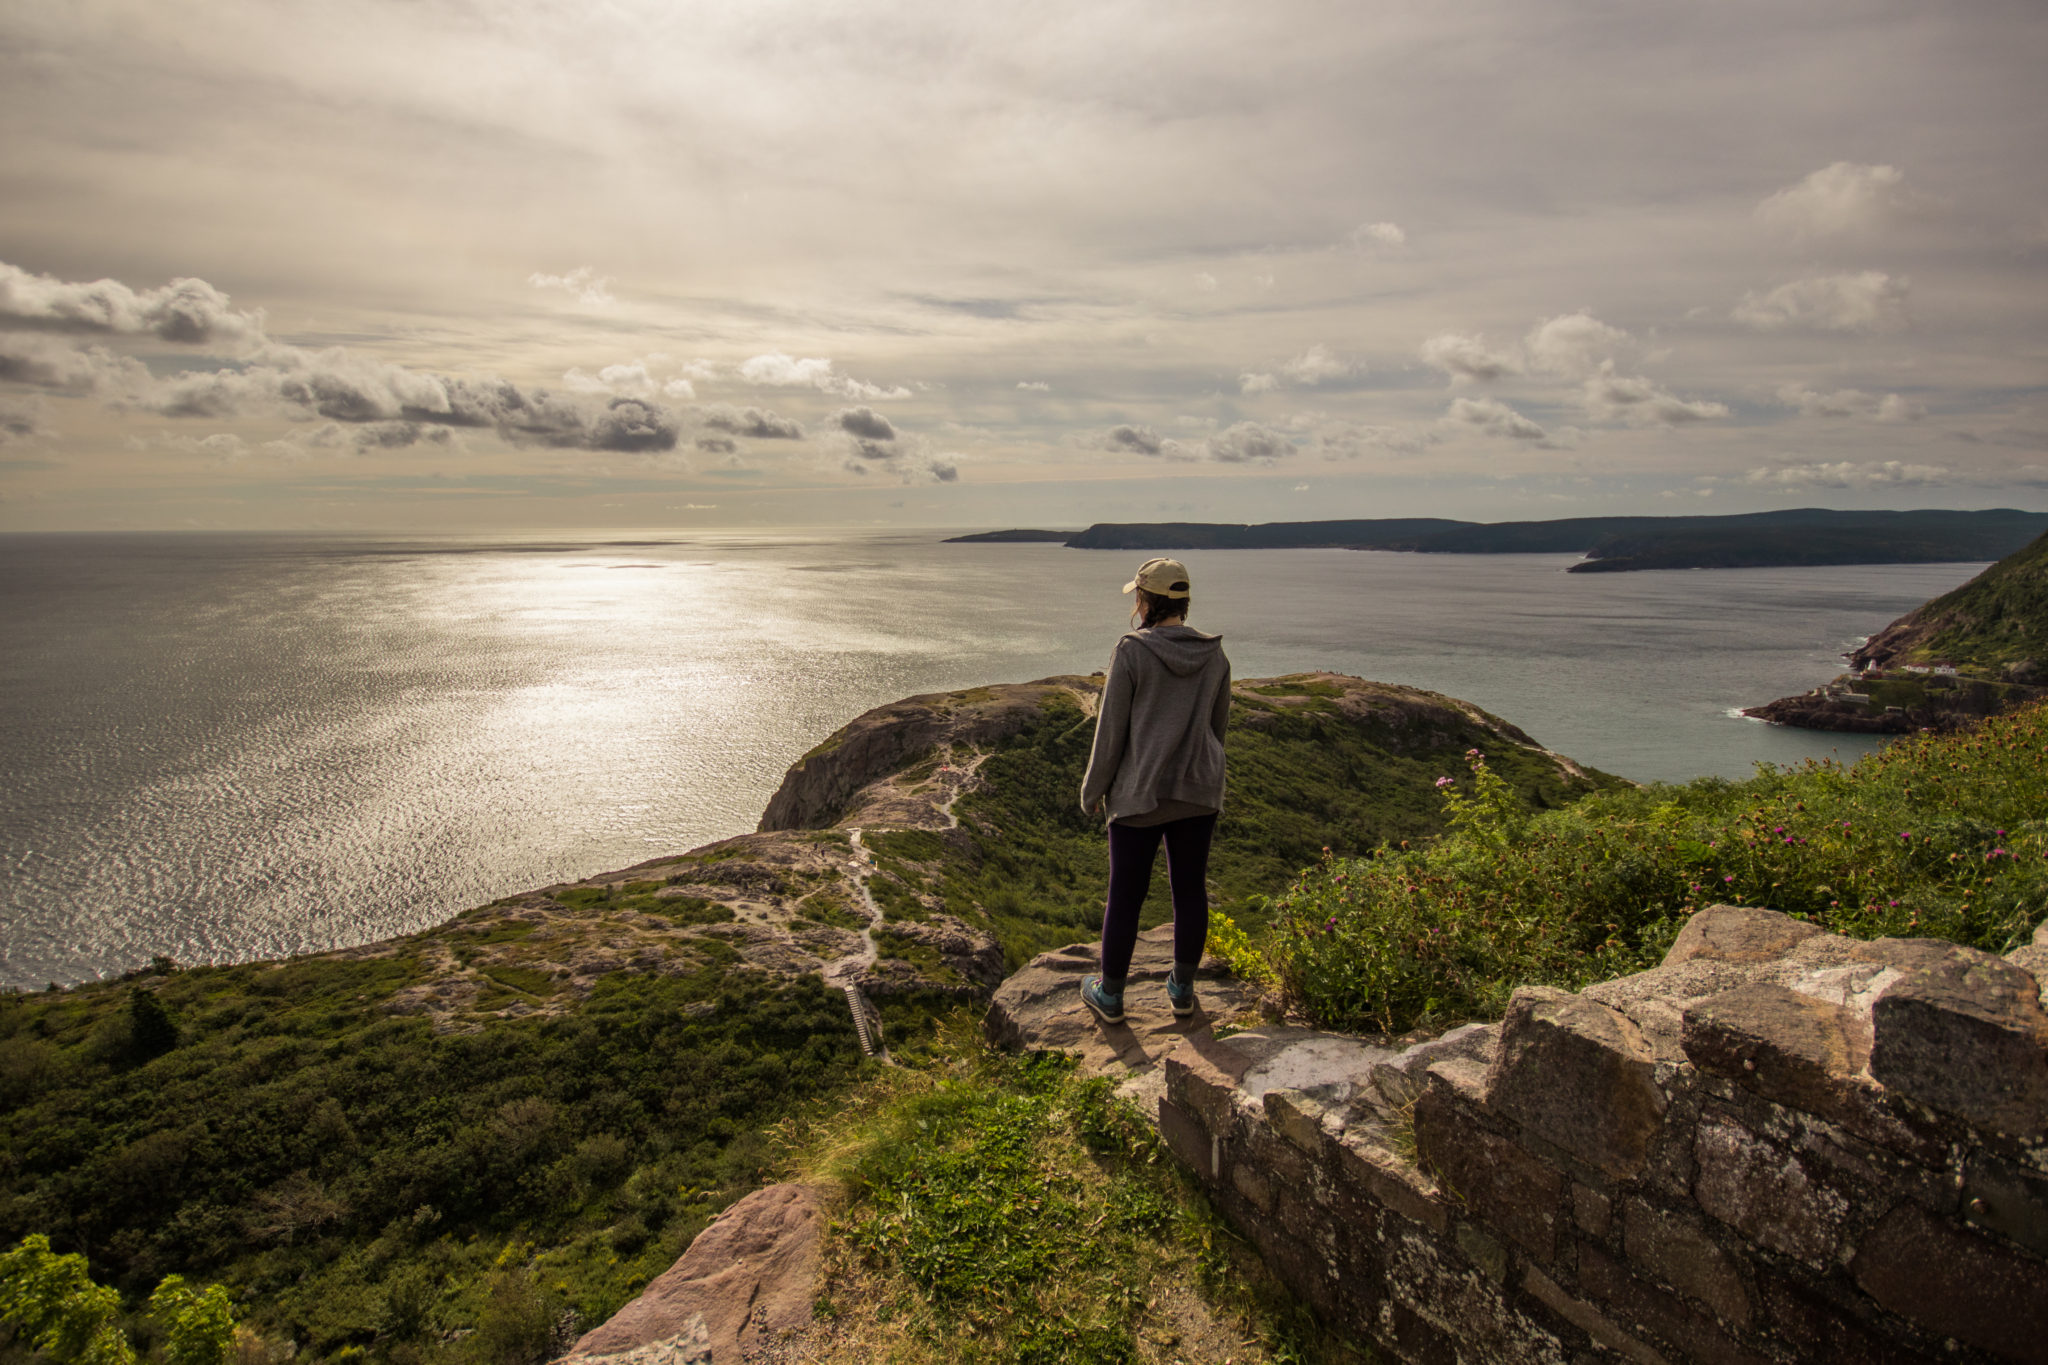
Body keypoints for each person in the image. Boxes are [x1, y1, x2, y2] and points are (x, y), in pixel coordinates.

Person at [1078, 556, 1231, 1023]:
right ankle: (1182, 990)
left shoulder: (1132, 650)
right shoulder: (1214, 655)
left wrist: (1092, 792)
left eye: (1138, 595)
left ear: (1147, 600)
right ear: (1183, 603)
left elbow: (1111, 734)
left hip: (1139, 792)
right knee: (1190, 890)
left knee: (1126, 893)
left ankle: (1112, 995)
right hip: (1198, 789)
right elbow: (1217, 728)